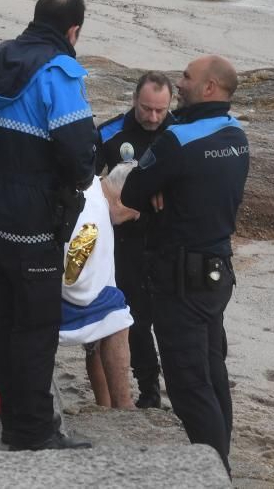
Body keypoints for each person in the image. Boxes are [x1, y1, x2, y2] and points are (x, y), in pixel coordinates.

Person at [0, 0, 98, 451]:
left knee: (5, 318)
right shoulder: (59, 75)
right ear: (72, 30)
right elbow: (80, 157)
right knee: (36, 329)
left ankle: (13, 418)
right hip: (35, 223)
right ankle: (33, 430)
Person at [120, 55, 249, 474]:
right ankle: (222, 463)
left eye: (188, 78)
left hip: (180, 276)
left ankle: (216, 472)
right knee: (212, 371)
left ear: (210, 88)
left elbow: (135, 191)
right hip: (217, 272)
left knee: (189, 383)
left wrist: (162, 187)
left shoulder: (179, 140)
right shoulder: (237, 133)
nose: (180, 83)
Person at [95, 72, 173, 408]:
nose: (154, 117)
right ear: (134, 100)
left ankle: (180, 387)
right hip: (125, 241)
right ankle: (149, 390)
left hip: (171, 238)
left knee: (171, 319)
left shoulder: (179, 131)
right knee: (135, 320)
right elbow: (87, 186)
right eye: (146, 109)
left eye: (160, 110)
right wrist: (118, 205)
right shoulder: (110, 133)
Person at [59, 163, 139, 410]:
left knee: (109, 305)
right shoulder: (92, 215)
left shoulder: (93, 185)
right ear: (125, 197)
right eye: (136, 210)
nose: (136, 217)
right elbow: (76, 286)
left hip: (34, 280)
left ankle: (104, 404)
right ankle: (122, 403)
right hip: (49, 296)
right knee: (117, 315)